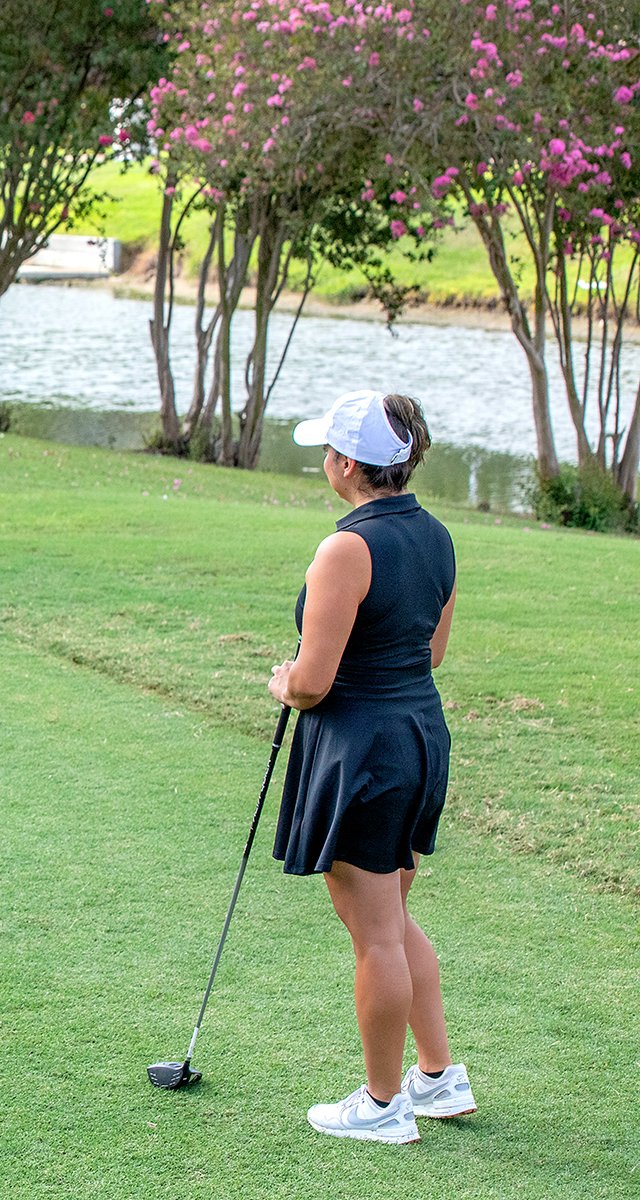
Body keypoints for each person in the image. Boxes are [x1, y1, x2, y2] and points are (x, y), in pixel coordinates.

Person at [268, 390, 472, 1143]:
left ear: (348, 465)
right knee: (391, 917)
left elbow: (313, 682)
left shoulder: (346, 550)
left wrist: (284, 682)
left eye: (328, 451)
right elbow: (431, 654)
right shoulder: (437, 536)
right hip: (418, 737)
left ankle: (384, 1105)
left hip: (363, 750)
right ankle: (438, 1077)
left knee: (376, 933)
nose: (324, 461)